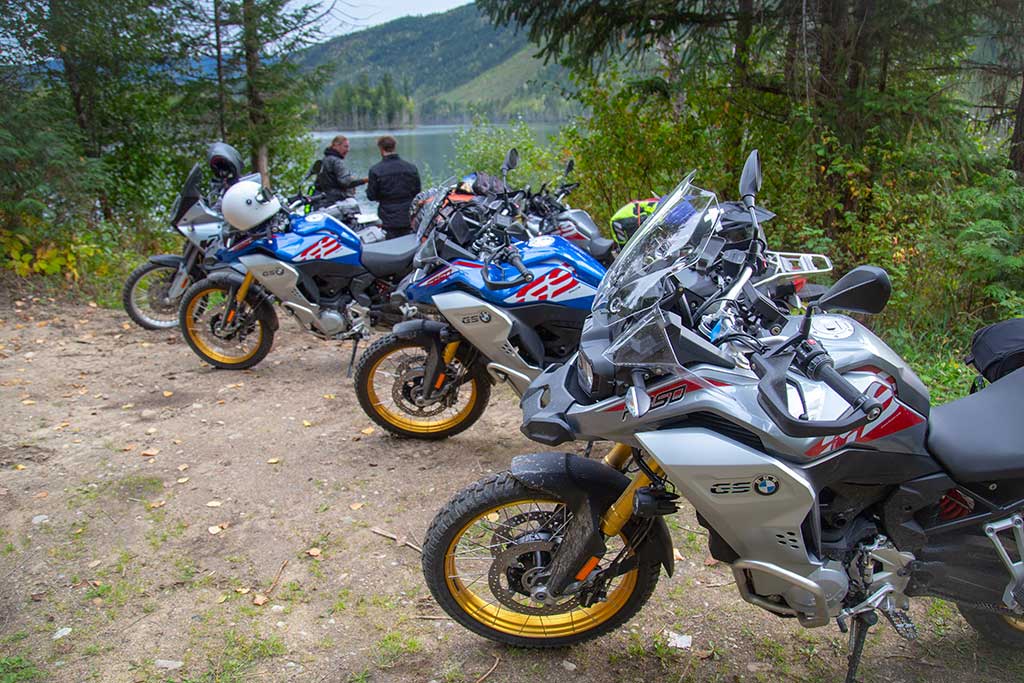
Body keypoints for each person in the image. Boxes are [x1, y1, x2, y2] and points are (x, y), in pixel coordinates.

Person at [366, 135, 421, 239]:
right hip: (408, 214)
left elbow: (371, 196)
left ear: (381, 149)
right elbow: (418, 192)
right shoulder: (411, 168)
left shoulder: (375, 170)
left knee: (392, 245)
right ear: (394, 147)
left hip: (388, 216)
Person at [314, 135, 367, 207]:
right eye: (345, 146)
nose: (348, 150)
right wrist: (365, 180)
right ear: (336, 146)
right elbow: (346, 182)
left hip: (324, 201)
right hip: (337, 201)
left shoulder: (324, 159)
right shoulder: (336, 161)